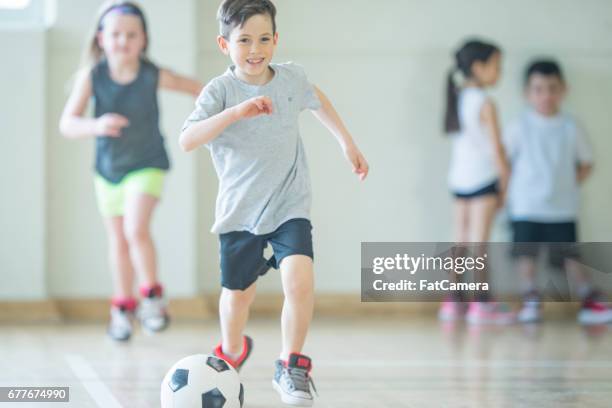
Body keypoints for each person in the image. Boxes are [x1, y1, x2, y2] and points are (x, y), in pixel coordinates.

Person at [180, 0, 369, 405]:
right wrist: (236, 113)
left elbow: (316, 97)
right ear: (224, 44)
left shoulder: (290, 78)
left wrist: (346, 143)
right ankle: (231, 351)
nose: (256, 48)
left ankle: (291, 364)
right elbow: (188, 139)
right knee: (237, 298)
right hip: (240, 213)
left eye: (264, 38)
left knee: (299, 281)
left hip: (289, 204)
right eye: (244, 40)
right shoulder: (220, 90)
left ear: (276, 40)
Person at [59, 1, 203, 341]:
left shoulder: (152, 74)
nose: (123, 40)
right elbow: (67, 123)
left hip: (147, 163)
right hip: (108, 169)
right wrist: (96, 125)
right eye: (116, 34)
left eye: (131, 35)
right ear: (101, 38)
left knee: (137, 229)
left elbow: (198, 88)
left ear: (143, 40)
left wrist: (206, 117)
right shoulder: (92, 77)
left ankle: (152, 297)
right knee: (119, 239)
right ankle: (122, 307)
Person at [505, 59, 612, 325]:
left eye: (552, 88)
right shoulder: (519, 126)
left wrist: (566, 184)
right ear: (527, 93)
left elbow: (586, 163)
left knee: (570, 255)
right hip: (526, 206)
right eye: (538, 89)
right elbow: (504, 162)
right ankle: (530, 298)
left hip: (562, 207)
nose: (546, 95)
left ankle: (589, 297)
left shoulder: (570, 126)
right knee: (526, 255)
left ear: (563, 90)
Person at [440, 39, 514, 324]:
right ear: (478, 67)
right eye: (497, 66)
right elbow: (496, 149)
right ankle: (482, 303)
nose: (500, 73)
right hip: (483, 179)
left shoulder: (457, 96)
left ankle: (454, 301)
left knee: (461, 240)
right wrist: (506, 181)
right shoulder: (485, 102)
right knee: (480, 242)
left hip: (459, 179)